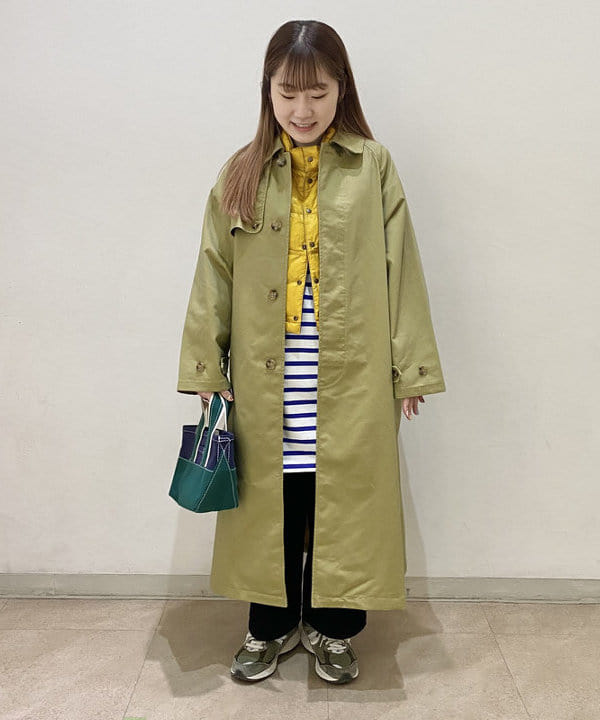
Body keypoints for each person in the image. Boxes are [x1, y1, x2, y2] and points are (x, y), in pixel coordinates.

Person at [177, 20, 446, 684]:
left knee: (343, 501)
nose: (303, 109)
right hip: (264, 374)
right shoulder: (240, 171)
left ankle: (333, 629)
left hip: (351, 373)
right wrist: (205, 364)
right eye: (288, 93)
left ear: (341, 89)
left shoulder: (372, 166)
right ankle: (269, 626)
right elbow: (214, 272)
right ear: (267, 90)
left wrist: (410, 367)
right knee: (275, 500)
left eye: (318, 93)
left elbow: (402, 267)